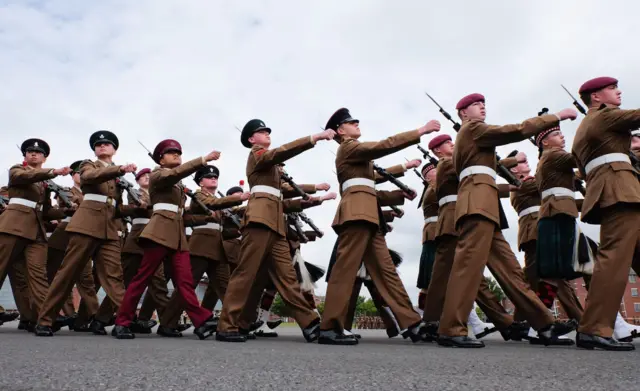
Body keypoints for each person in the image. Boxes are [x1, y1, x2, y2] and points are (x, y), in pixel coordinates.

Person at [437, 93, 578, 348]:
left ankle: (543, 325)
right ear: (462, 114)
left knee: (512, 272)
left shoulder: (476, 137)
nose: (482, 107)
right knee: (467, 269)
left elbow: (497, 162)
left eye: (483, 104)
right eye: (475, 105)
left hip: (487, 207)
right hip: (476, 205)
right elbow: (516, 130)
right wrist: (553, 118)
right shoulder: (473, 130)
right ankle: (451, 328)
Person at [319, 107, 440, 345]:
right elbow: (383, 145)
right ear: (341, 131)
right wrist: (420, 131)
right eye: (352, 123)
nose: (357, 124)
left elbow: (372, 182)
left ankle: (412, 323)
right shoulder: (349, 147)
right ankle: (329, 327)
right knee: (345, 271)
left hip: (369, 217)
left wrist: (399, 191)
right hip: (356, 215)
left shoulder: (357, 158)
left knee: (387, 273)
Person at [216, 119, 333, 343]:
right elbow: (281, 153)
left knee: (288, 278)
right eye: (261, 131)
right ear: (252, 139)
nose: (267, 133)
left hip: (276, 225)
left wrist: (314, 188)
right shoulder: (257, 154)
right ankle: (227, 325)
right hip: (259, 220)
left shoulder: (271, 167)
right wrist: (313, 138)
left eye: (268, 130)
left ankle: (309, 323)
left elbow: (285, 190)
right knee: (245, 275)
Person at [113, 139, 221, 340]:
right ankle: (122, 322)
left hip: (177, 236)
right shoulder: (159, 174)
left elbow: (180, 214)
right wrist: (203, 159)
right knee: (142, 279)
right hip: (159, 233)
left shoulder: (177, 183)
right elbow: (173, 176)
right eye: (171, 153)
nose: (177, 155)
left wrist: (206, 217)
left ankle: (201, 321)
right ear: (160, 159)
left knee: (185, 282)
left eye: (179, 152)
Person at [36, 131, 137, 337]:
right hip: (86, 225)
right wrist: (119, 170)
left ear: (114, 149)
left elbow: (116, 206)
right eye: (98, 145)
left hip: (109, 229)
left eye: (107, 144)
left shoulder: (118, 177)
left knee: (114, 276)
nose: (102, 146)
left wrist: (141, 208)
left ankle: (124, 321)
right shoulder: (88, 165)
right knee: (68, 273)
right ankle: (45, 320)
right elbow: (89, 177)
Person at [571, 77, 640, 351]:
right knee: (613, 260)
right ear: (596, 97)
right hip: (619, 191)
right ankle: (594, 327)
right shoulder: (604, 116)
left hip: (617, 190)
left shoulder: (586, 126)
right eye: (612, 88)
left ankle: (594, 327)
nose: (619, 91)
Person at [0, 139, 71, 335]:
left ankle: (44, 320)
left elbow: (46, 210)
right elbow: (22, 177)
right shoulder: (17, 170)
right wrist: (53, 172)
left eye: (38, 152)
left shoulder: (43, 183)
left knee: (38, 276)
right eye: (29, 151)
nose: (33, 154)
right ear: (24, 156)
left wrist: (67, 210)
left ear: (44, 157)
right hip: (13, 226)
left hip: (36, 230)